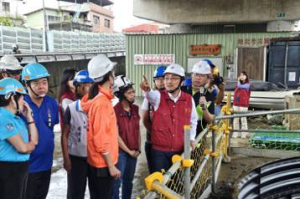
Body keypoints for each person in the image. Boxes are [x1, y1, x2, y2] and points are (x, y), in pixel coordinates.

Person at [140, 63, 198, 173]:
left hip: (179, 150)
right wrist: (147, 91)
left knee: (176, 182)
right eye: (166, 78)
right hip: (159, 152)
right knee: (160, 183)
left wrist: (191, 138)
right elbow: (150, 95)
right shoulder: (157, 96)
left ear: (181, 81)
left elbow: (193, 120)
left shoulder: (189, 100)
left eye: (174, 78)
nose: (169, 81)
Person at [80, 54, 121, 199]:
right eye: (113, 73)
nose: (115, 76)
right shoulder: (102, 103)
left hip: (97, 163)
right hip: (102, 165)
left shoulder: (98, 99)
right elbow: (100, 139)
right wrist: (111, 165)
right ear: (109, 78)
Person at [21, 63, 59, 199]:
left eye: (44, 82)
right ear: (26, 85)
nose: (41, 86)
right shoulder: (20, 104)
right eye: (36, 83)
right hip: (27, 167)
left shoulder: (52, 103)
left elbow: (50, 127)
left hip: (46, 164)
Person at [0, 78, 38, 199]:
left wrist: (29, 118)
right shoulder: (3, 118)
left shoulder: (15, 118)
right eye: (22, 97)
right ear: (12, 98)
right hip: (8, 171)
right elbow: (22, 147)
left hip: (18, 170)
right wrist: (31, 146)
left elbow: (35, 140)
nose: (24, 101)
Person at [61, 70, 94, 199]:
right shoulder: (71, 108)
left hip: (94, 158)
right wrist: (66, 159)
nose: (87, 88)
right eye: (83, 85)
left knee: (96, 191)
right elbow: (64, 135)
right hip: (76, 159)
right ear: (77, 88)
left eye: (90, 85)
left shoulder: (97, 107)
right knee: (75, 193)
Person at [112, 75, 140, 199]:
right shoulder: (114, 111)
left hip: (134, 151)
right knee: (116, 183)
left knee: (128, 181)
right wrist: (129, 151)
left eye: (133, 91)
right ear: (121, 94)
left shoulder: (135, 109)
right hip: (121, 153)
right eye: (129, 93)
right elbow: (115, 135)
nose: (133, 94)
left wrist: (138, 149)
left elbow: (137, 130)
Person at [141, 66, 166, 173]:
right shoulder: (150, 97)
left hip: (170, 142)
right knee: (155, 172)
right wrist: (155, 134)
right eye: (157, 79)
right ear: (154, 81)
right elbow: (145, 119)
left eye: (163, 79)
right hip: (153, 141)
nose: (160, 82)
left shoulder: (174, 96)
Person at [182, 60, 215, 136]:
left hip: (198, 138)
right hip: (179, 135)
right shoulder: (181, 90)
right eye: (196, 74)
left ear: (207, 79)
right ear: (192, 75)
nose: (198, 78)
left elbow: (210, 120)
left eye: (202, 76)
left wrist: (204, 108)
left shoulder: (208, 96)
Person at [232, 71, 251, 139]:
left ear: (246, 77)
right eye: (240, 75)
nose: (242, 76)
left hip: (243, 104)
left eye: (243, 75)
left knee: (243, 119)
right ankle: (235, 133)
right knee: (236, 119)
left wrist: (238, 81)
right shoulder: (237, 84)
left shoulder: (248, 85)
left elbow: (240, 86)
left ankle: (244, 133)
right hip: (236, 103)